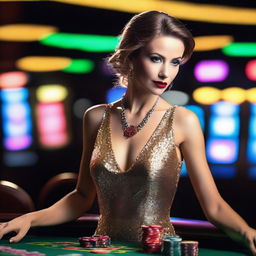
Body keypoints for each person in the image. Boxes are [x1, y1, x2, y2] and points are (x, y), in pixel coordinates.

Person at [0, 10, 256, 254]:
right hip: (102, 251)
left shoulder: (183, 120)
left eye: (175, 62)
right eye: (156, 58)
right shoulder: (96, 117)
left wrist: (246, 231)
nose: (166, 72)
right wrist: (30, 219)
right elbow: (81, 197)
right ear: (130, 56)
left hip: (156, 252)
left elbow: (214, 206)